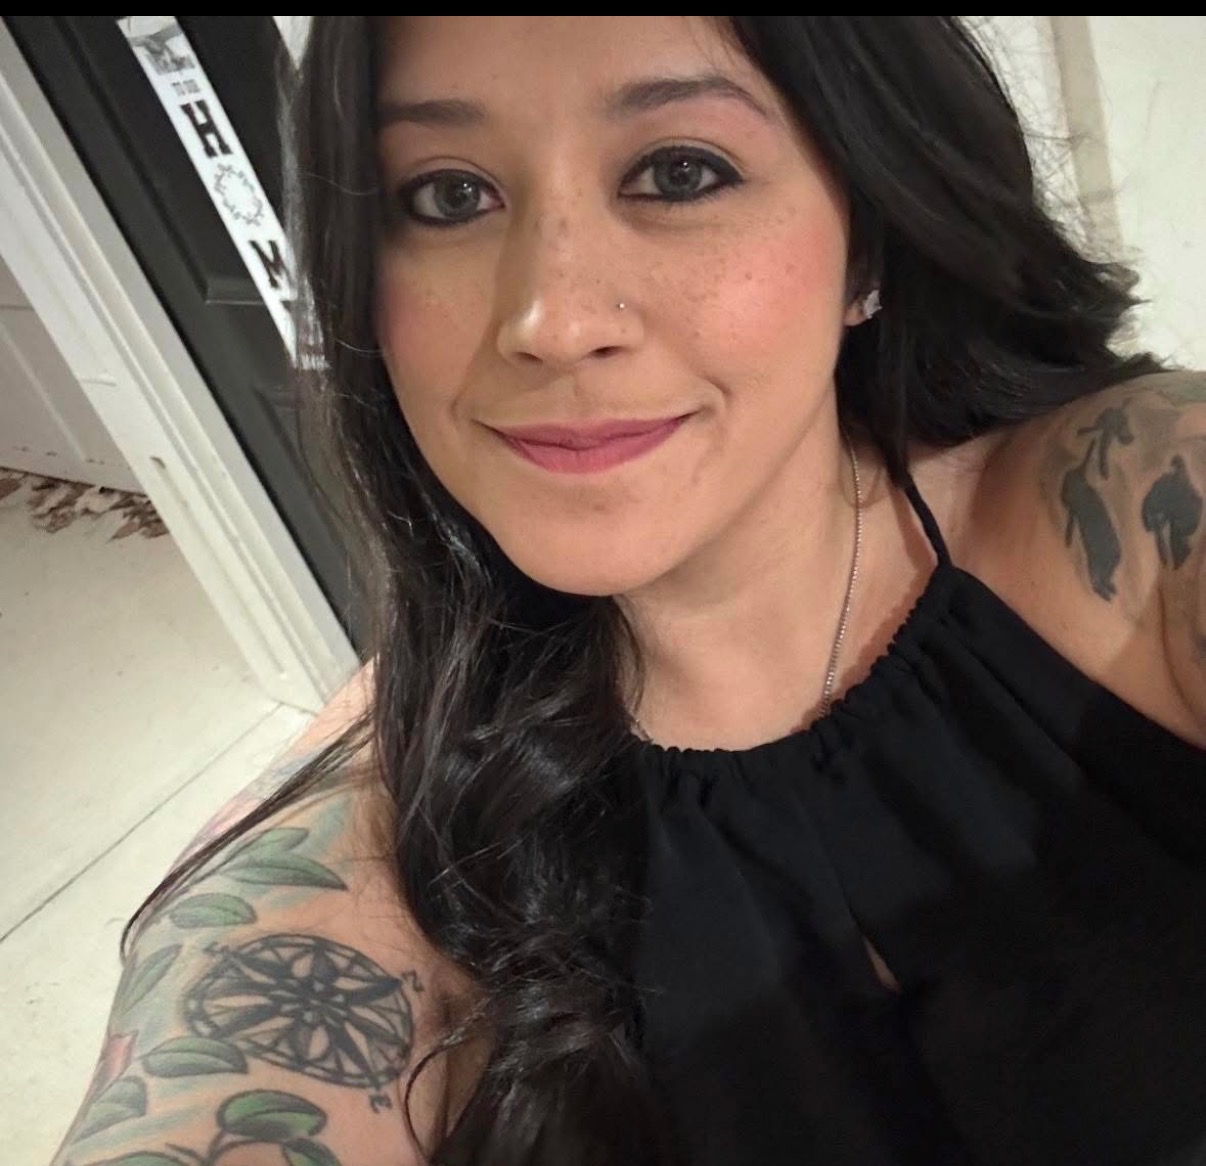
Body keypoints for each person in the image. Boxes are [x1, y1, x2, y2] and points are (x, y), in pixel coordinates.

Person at [53, 15, 1206, 1166]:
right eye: (449, 195)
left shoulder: (1136, 512)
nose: (550, 322)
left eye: (679, 172)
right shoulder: (372, 846)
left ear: (868, 245)